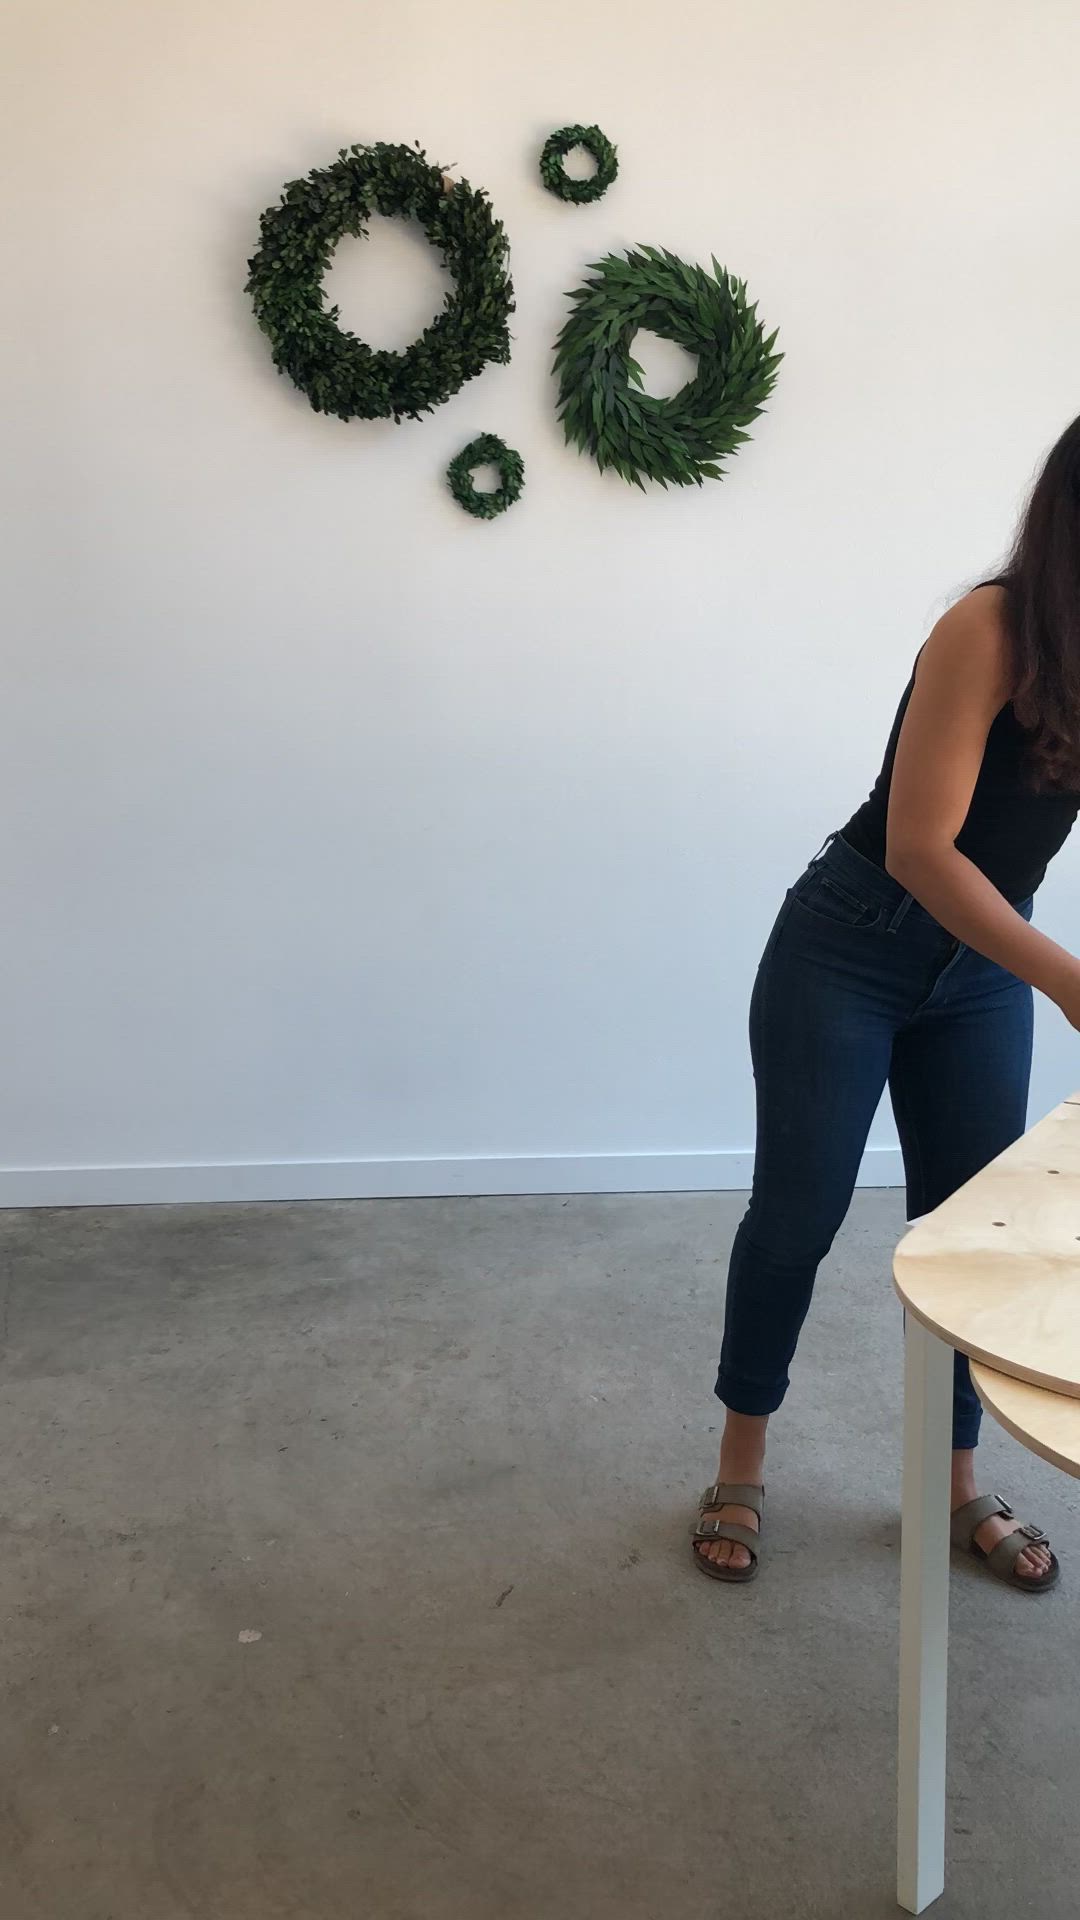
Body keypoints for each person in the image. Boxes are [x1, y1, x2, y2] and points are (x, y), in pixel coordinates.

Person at [694, 413, 1080, 1591]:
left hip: (979, 973)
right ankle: (740, 1463)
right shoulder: (989, 629)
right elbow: (921, 847)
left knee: (966, 1240)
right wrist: (1064, 979)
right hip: (848, 949)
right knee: (797, 1218)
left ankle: (952, 1484)